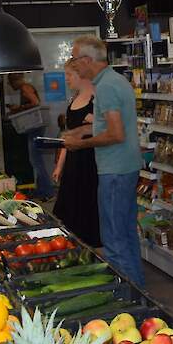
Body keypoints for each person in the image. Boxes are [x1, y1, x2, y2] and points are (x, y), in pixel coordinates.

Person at [62, 35, 145, 287]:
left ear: (87, 60)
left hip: (114, 171)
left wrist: (80, 144)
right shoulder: (114, 81)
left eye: (76, 59)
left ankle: (128, 299)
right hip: (126, 168)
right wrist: (82, 131)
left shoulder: (106, 87)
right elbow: (108, 125)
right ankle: (139, 290)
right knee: (127, 235)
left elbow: (115, 134)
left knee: (114, 241)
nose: (74, 65)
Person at [52, 59, 102, 247]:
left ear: (81, 75)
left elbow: (110, 128)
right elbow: (68, 138)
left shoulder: (98, 99)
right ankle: (74, 244)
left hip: (91, 162)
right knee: (70, 206)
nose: (66, 79)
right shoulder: (73, 101)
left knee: (89, 205)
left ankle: (93, 247)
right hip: (74, 163)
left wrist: (95, 122)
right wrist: (59, 165)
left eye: (69, 75)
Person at [7, 73, 55, 201]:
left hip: (34, 127)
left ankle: (47, 191)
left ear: (15, 80)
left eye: (10, 83)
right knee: (36, 160)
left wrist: (19, 108)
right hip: (35, 127)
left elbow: (36, 102)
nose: (10, 86)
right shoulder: (26, 87)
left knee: (36, 161)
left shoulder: (25, 88)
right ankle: (42, 190)